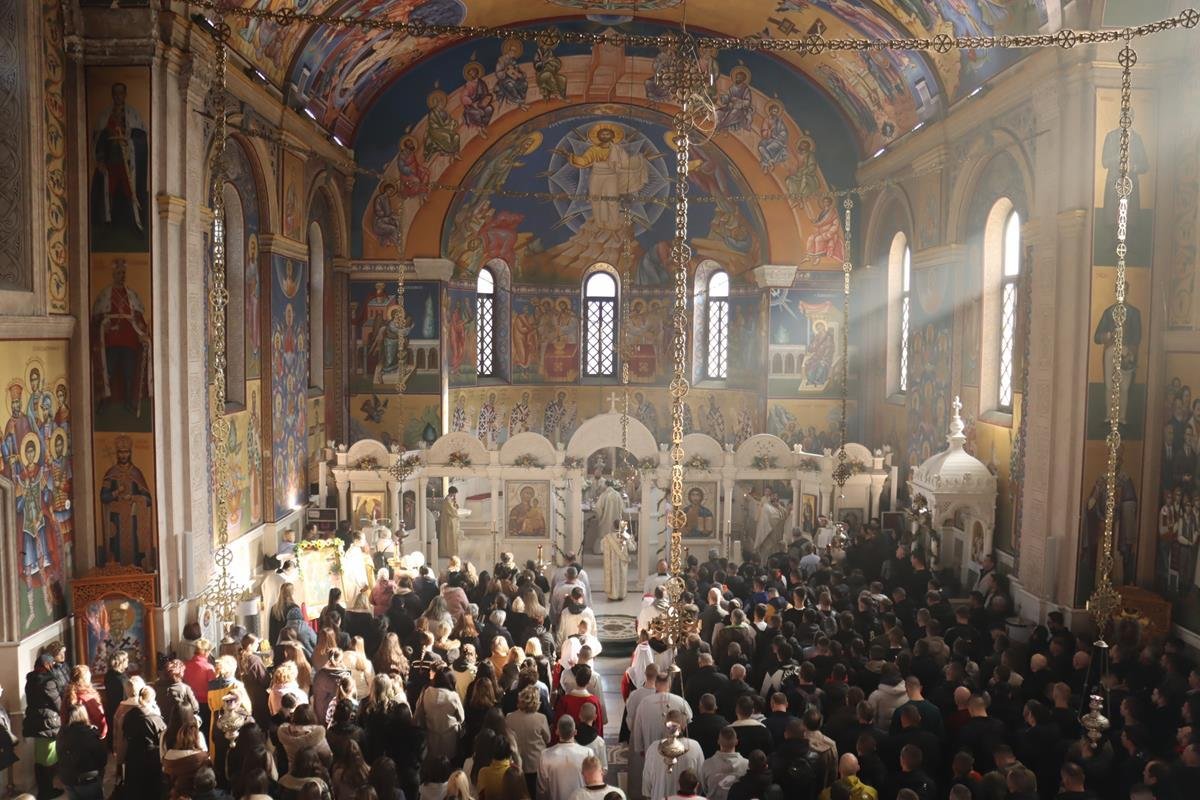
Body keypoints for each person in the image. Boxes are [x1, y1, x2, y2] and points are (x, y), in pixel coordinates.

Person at [24, 653, 65, 800]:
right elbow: (58, 703)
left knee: (40, 759)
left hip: (36, 723)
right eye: (52, 664)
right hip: (48, 724)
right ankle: (46, 792)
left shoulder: (31, 680)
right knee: (48, 759)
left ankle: (44, 790)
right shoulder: (48, 682)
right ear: (46, 665)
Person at [55, 704, 108, 800]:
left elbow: (59, 755)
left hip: (68, 779)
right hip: (88, 779)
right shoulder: (90, 733)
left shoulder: (62, 733)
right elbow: (102, 758)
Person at [600, 521, 634, 601]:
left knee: (613, 577)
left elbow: (602, 549)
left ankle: (613, 595)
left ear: (613, 526)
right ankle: (621, 595)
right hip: (622, 562)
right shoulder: (626, 536)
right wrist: (632, 540)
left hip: (611, 562)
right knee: (622, 577)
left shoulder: (607, 538)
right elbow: (632, 548)